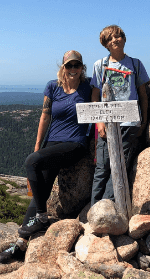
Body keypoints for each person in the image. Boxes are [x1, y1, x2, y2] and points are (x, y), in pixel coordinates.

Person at [0, 50, 92, 264]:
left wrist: (146, 80)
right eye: (69, 65)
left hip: (75, 144)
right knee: (40, 189)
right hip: (52, 143)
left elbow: (114, 80)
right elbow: (44, 116)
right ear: (63, 67)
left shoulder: (89, 86)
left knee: (31, 161)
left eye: (76, 65)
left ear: (82, 67)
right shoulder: (53, 86)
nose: (73, 69)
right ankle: (20, 246)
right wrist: (37, 145)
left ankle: (41, 217)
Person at [90, 25, 150, 205]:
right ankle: (94, 208)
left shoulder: (136, 64)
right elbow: (95, 95)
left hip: (129, 123)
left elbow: (142, 95)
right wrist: (99, 123)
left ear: (124, 39)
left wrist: (143, 121)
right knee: (102, 167)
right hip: (107, 122)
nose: (115, 40)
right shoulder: (100, 65)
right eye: (110, 39)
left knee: (120, 166)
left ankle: (106, 207)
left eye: (118, 36)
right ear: (105, 44)